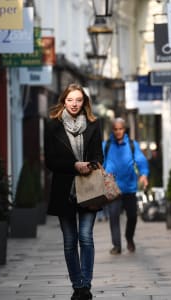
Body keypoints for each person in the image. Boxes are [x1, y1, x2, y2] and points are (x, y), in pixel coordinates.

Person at [44, 83, 104, 300]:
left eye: (78, 100)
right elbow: (50, 161)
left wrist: (91, 164)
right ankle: (77, 285)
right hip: (64, 190)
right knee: (70, 240)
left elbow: (99, 154)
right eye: (70, 100)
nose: (74, 104)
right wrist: (73, 166)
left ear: (84, 102)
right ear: (64, 101)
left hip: (89, 188)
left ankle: (86, 284)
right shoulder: (52, 125)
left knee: (86, 236)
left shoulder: (94, 124)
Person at [103, 117, 149, 255]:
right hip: (112, 187)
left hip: (129, 187)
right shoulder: (106, 145)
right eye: (115, 129)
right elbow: (99, 161)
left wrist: (144, 174)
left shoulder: (132, 144)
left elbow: (140, 160)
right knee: (113, 217)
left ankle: (129, 237)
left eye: (121, 129)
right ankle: (116, 245)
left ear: (125, 129)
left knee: (133, 216)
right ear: (112, 130)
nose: (118, 132)